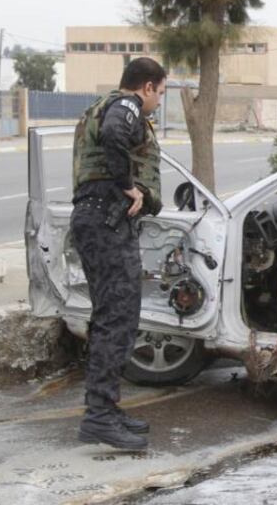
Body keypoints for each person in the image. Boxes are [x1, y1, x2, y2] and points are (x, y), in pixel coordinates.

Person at [71, 57, 166, 450]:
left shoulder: (102, 105)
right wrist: (129, 186)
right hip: (107, 222)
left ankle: (106, 410)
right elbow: (114, 134)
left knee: (112, 319)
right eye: (159, 93)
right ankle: (99, 418)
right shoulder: (125, 107)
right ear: (145, 87)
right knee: (118, 321)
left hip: (96, 221)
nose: (159, 102)